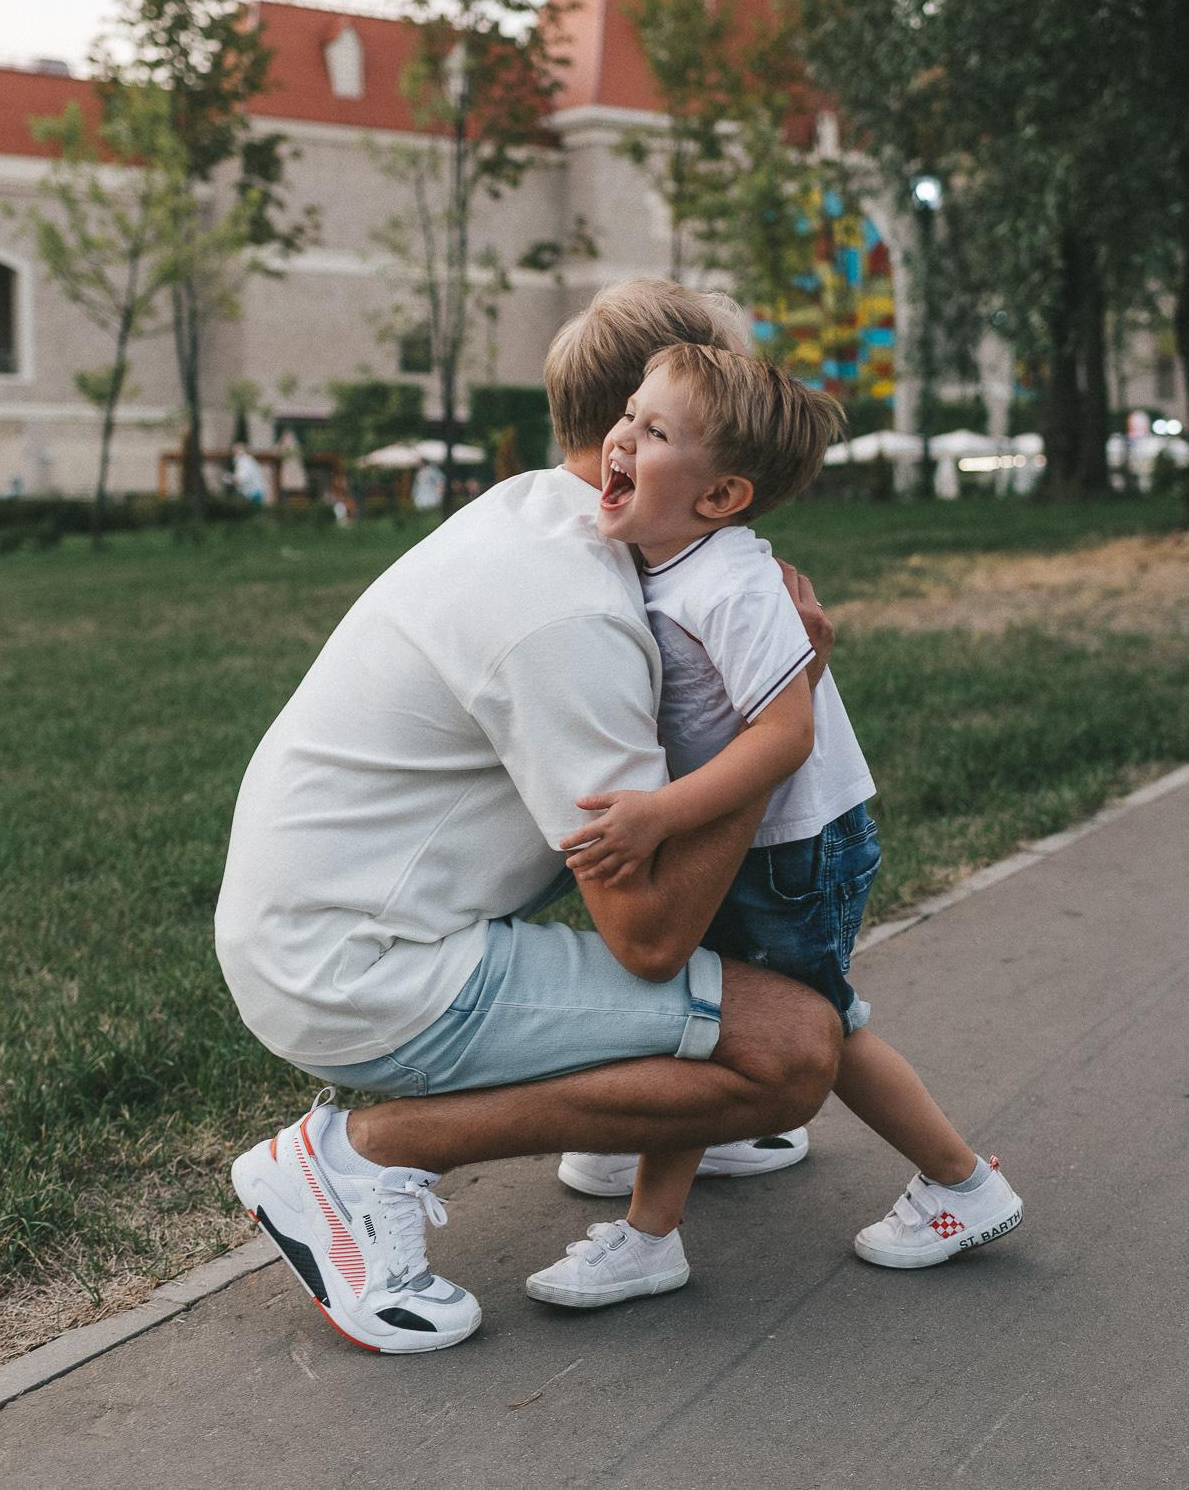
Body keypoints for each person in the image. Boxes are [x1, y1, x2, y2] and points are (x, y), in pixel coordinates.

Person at [216, 280, 843, 1355]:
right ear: (636, 431)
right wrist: (767, 731)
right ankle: (357, 1160)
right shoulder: (571, 615)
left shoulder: (533, 515)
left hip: (338, 925)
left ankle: (619, 1133)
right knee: (791, 1054)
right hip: (361, 967)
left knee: (735, 1032)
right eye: (722, 392)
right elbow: (647, 941)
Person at [523, 345, 1024, 1310]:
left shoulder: (731, 583)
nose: (621, 438)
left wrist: (657, 814)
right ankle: (659, 1230)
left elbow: (786, 733)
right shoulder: (673, 559)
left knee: (778, 1028)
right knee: (725, 1024)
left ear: (720, 496)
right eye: (629, 414)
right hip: (769, 846)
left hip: (792, 850)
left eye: (655, 432)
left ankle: (959, 1186)